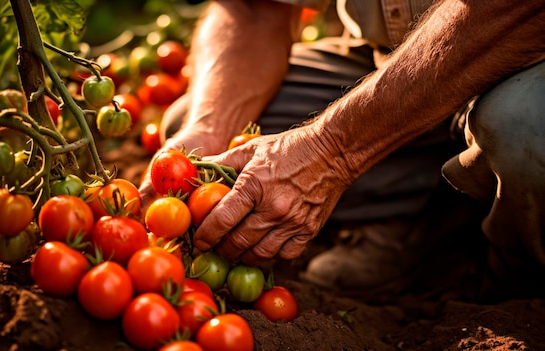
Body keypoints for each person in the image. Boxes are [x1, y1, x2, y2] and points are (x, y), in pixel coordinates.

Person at [138, 0, 545, 302]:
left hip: (526, 66)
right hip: (398, 67)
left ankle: (513, 290)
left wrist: (330, 151)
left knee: (523, 131)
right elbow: (254, 8)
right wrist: (210, 127)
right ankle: (421, 223)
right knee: (203, 146)